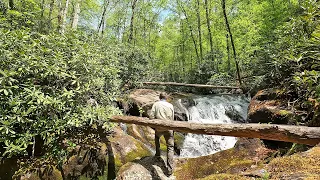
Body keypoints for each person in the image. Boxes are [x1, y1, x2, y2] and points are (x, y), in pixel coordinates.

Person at [150, 93, 174, 176]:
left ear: (159, 97)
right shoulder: (170, 105)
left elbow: (151, 116)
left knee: (157, 137)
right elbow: (172, 118)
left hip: (159, 127)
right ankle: (170, 169)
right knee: (170, 147)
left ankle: (157, 153)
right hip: (168, 127)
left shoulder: (156, 104)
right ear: (166, 98)